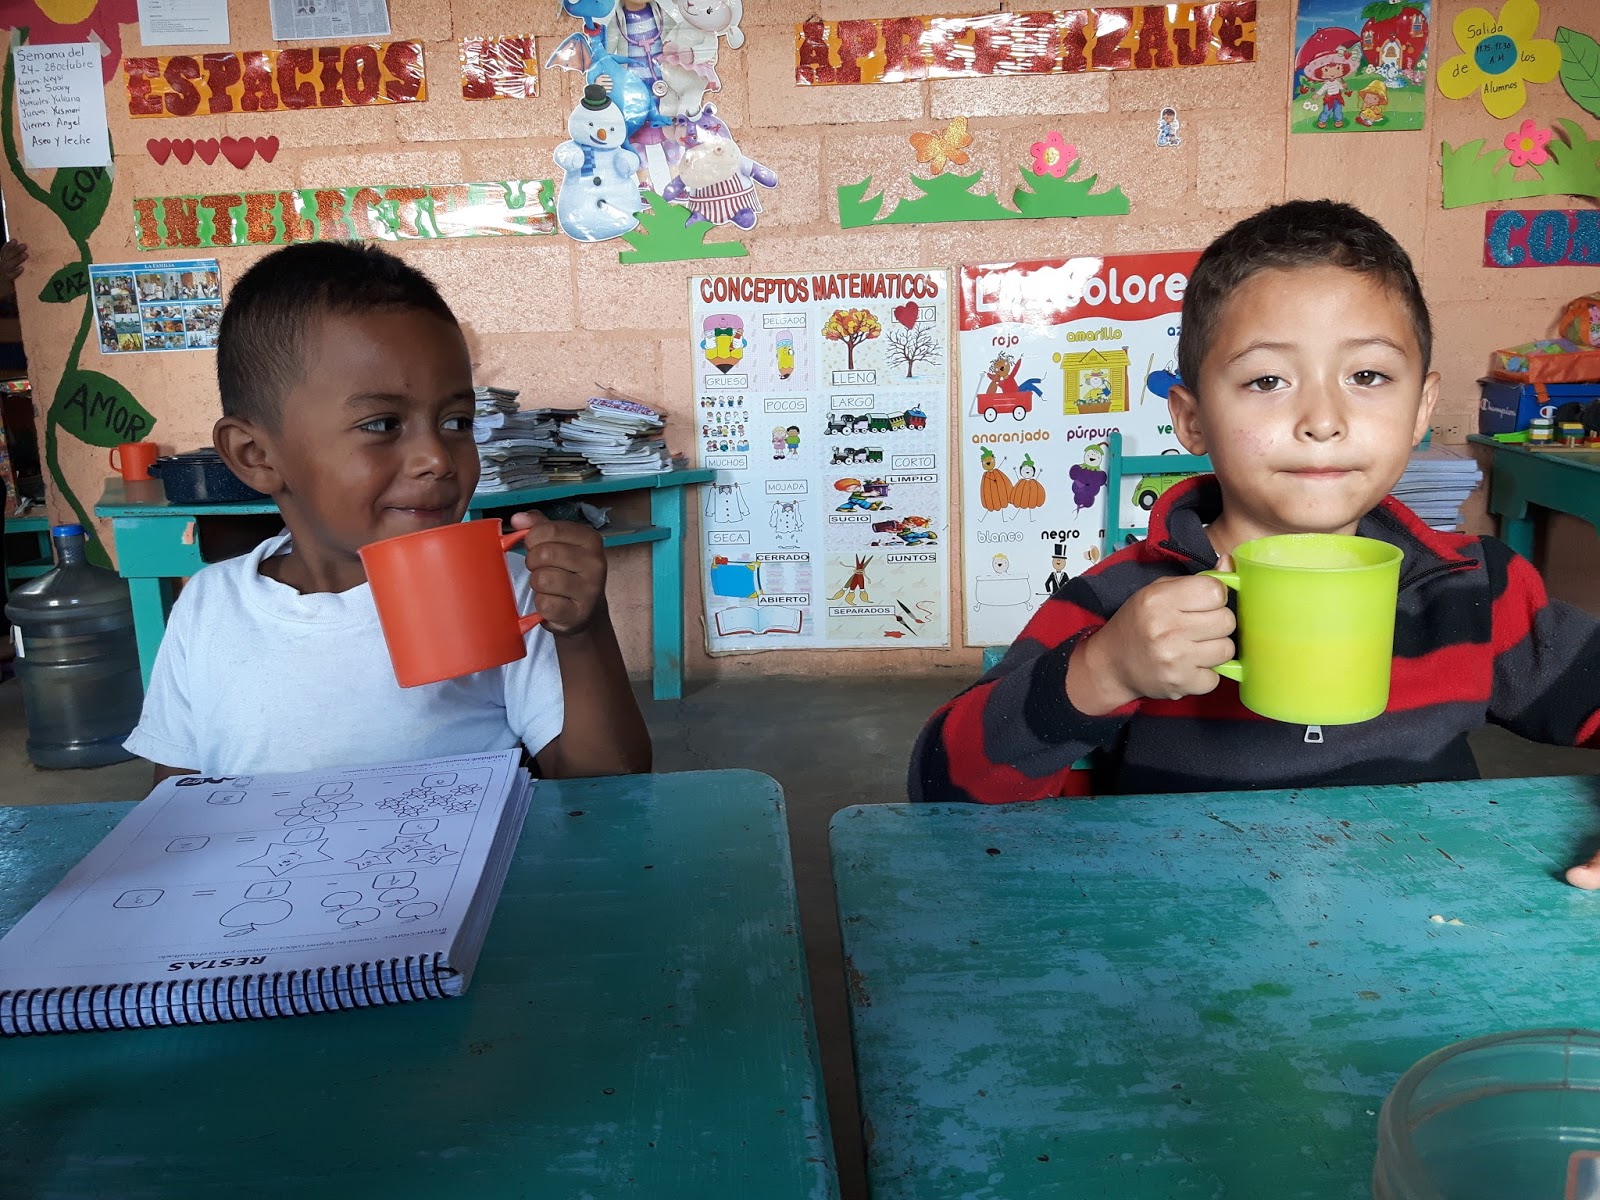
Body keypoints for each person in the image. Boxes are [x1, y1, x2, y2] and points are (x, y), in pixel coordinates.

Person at [910, 200, 1600, 887]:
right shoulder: (1125, 604)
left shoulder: (1475, 591)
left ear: (1421, 407)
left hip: (1428, 929)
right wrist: (1104, 671)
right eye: (1267, 380)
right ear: (1192, 420)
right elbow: (942, 791)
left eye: (1367, 376)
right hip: (1190, 937)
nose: (1322, 420)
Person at [123, 241, 651, 781]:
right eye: (382, 425)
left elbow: (607, 791)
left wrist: (582, 633)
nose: (436, 458)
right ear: (256, 455)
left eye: (457, 422)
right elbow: (176, 801)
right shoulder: (209, 608)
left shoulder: (507, 591)